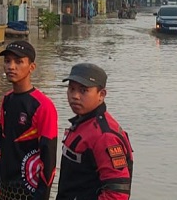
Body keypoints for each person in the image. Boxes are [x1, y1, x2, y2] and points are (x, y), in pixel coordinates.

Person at [56, 64, 134, 200]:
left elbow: (117, 194)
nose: (75, 96)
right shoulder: (82, 122)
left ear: (101, 94)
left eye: (83, 90)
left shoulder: (105, 136)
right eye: (71, 89)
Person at [0, 41, 58, 200]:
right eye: (7, 61)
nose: (11, 66)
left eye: (18, 61)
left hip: (29, 191)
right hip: (6, 189)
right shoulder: (7, 100)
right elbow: (1, 145)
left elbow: (49, 159)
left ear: (32, 67)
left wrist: (42, 196)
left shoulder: (43, 106)